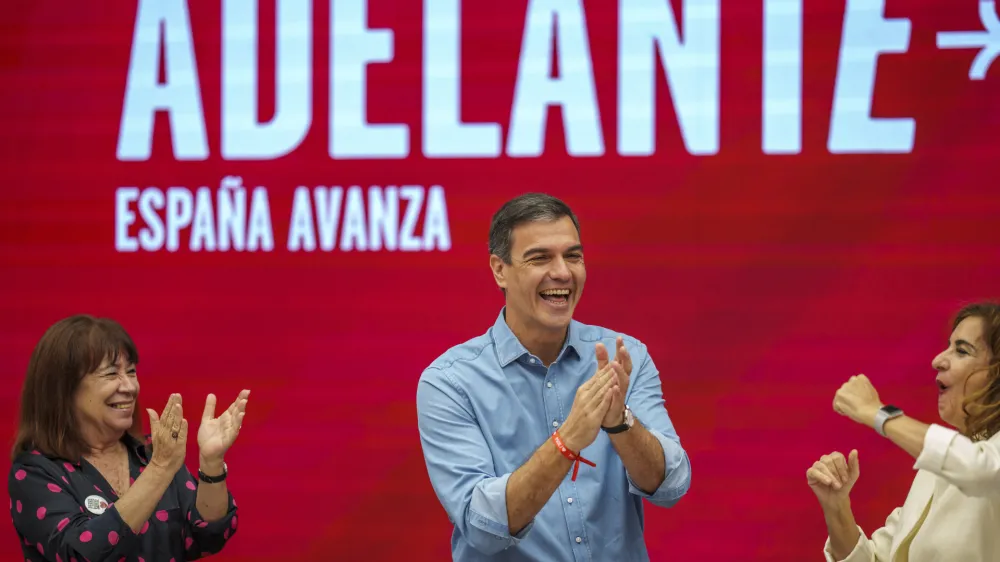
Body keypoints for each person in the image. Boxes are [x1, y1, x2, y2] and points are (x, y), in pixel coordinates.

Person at [416, 193, 691, 561]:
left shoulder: (623, 357)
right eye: (540, 258)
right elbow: (482, 526)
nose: (562, 272)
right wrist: (567, 441)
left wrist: (620, 424)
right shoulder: (450, 382)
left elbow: (671, 485)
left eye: (573, 256)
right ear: (499, 270)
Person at [8, 314, 250, 562]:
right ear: (65, 388)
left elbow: (208, 535)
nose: (130, 387)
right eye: (111, 374)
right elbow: (78, 554)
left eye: (131, 371)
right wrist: (159, 470)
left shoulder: (152, 453)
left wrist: (211, 463)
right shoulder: (35, 472)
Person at [807, 302, 1000, 561]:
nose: (938, 360)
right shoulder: (935, 470)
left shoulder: (974, 463)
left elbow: (981, 469)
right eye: (948, 346)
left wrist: (878, 413)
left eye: (962, 351)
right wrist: (837, 507)